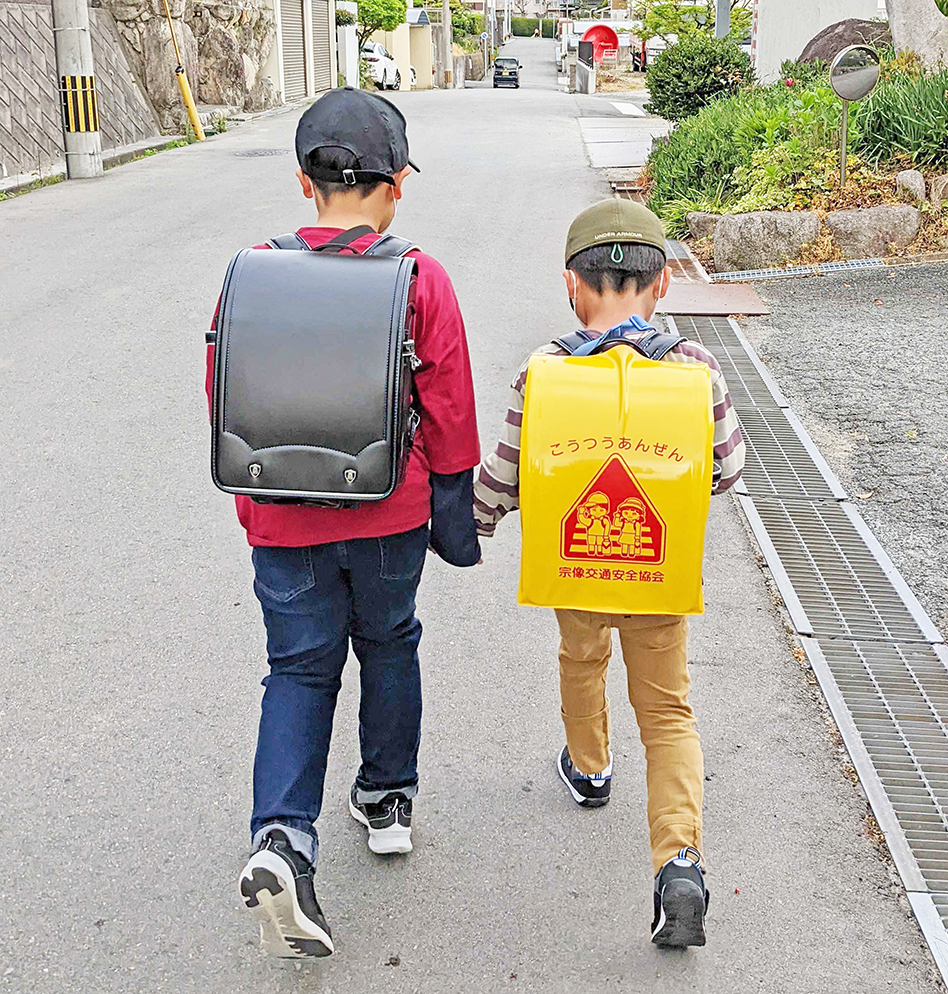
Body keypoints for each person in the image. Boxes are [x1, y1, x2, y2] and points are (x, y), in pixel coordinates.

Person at [209, 89, 483, 958]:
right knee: (391, 641)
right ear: (396, 184)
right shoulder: (419, 277)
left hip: (281, 518)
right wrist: (455, 512)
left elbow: (223, 391)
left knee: (296, 668)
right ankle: (388, 799)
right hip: (387, 511)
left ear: (304, 183)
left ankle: (283, 836)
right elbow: (448, 406)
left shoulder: (253, 268)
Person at [471, 199, 745, 947]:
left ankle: (590, 767)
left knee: (581, 659)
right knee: (666, 713)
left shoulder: (548, 370)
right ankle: (679, 860)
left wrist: (474, 526)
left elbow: (506, 475)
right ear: (662, 288)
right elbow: (727, 469)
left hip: (578, 568)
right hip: (657, 571)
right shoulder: (696, 369)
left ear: (572, 285)